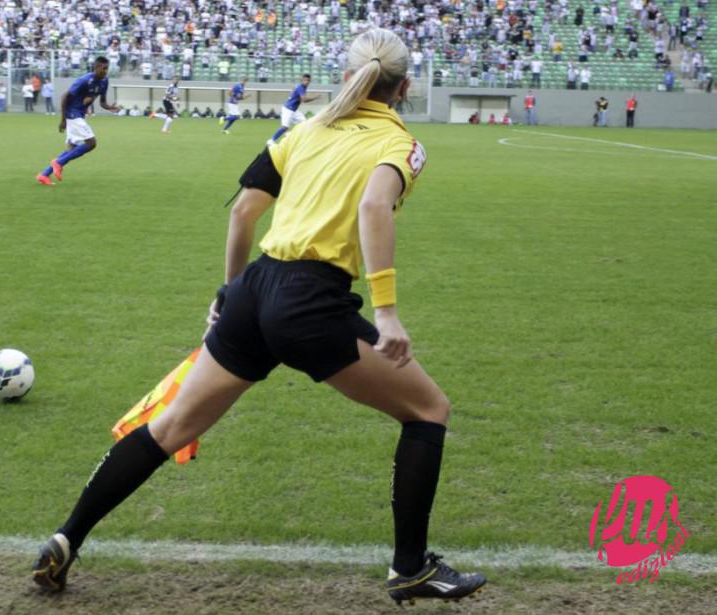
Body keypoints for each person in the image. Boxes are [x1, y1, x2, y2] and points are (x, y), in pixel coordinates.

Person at [30, 27, 487, 608]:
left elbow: (245, 211)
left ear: (348, 76)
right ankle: (411, 567)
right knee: (429, 410)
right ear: (405, 88)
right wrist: (388, 312)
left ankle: (68, 537)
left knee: (169, 430)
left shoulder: (304, 129)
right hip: (311, 299)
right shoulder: (401, 143)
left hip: (257, 287)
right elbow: (374, 206)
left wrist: (229, 290)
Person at [36, 57, 121, 186]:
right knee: (91, 143)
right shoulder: (84, 80)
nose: (105, 71)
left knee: (72, 148)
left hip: (80, 114)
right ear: (96, 67)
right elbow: (65, 96)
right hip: (72, 113)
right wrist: (63, 119)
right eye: (103, 68)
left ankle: (44, 175)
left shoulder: (104, 81)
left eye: (107, 68)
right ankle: (58, 163)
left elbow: (102, 102)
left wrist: (111, 108)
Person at [268, 74, 320, 145]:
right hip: (288, 109)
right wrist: (316, 97)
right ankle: (271, 141)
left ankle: (294, 137)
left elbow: (295, 93)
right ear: (302, 80)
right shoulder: (300, 87)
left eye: (308, 80)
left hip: (294, 110)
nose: (307, 82)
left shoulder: (300, 87)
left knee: (305, 124)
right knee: (285, 127)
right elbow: (304, 100)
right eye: (305, 80)